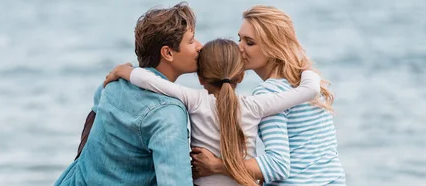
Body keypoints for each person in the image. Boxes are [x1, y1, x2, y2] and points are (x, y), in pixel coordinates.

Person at [104, 39, 321, 185]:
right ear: (241, 76)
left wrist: (125, 71)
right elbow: (309, 89)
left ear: (200, 78)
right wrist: (302, 63)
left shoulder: (195, 100)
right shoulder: (256, 105)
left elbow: (148, 80)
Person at [191, 5, 346, 185]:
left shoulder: (269, 92)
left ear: (273, 47)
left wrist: (217, 166)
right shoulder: (305, 81)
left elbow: (277, 166)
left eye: (249, 43)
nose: (239, 47)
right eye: (239, 39)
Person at [54, 2, 202, 185]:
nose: (199, 46)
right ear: (168, 53)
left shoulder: (114, 84)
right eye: (191, 40)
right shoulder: (168, 114)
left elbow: (94, 114)